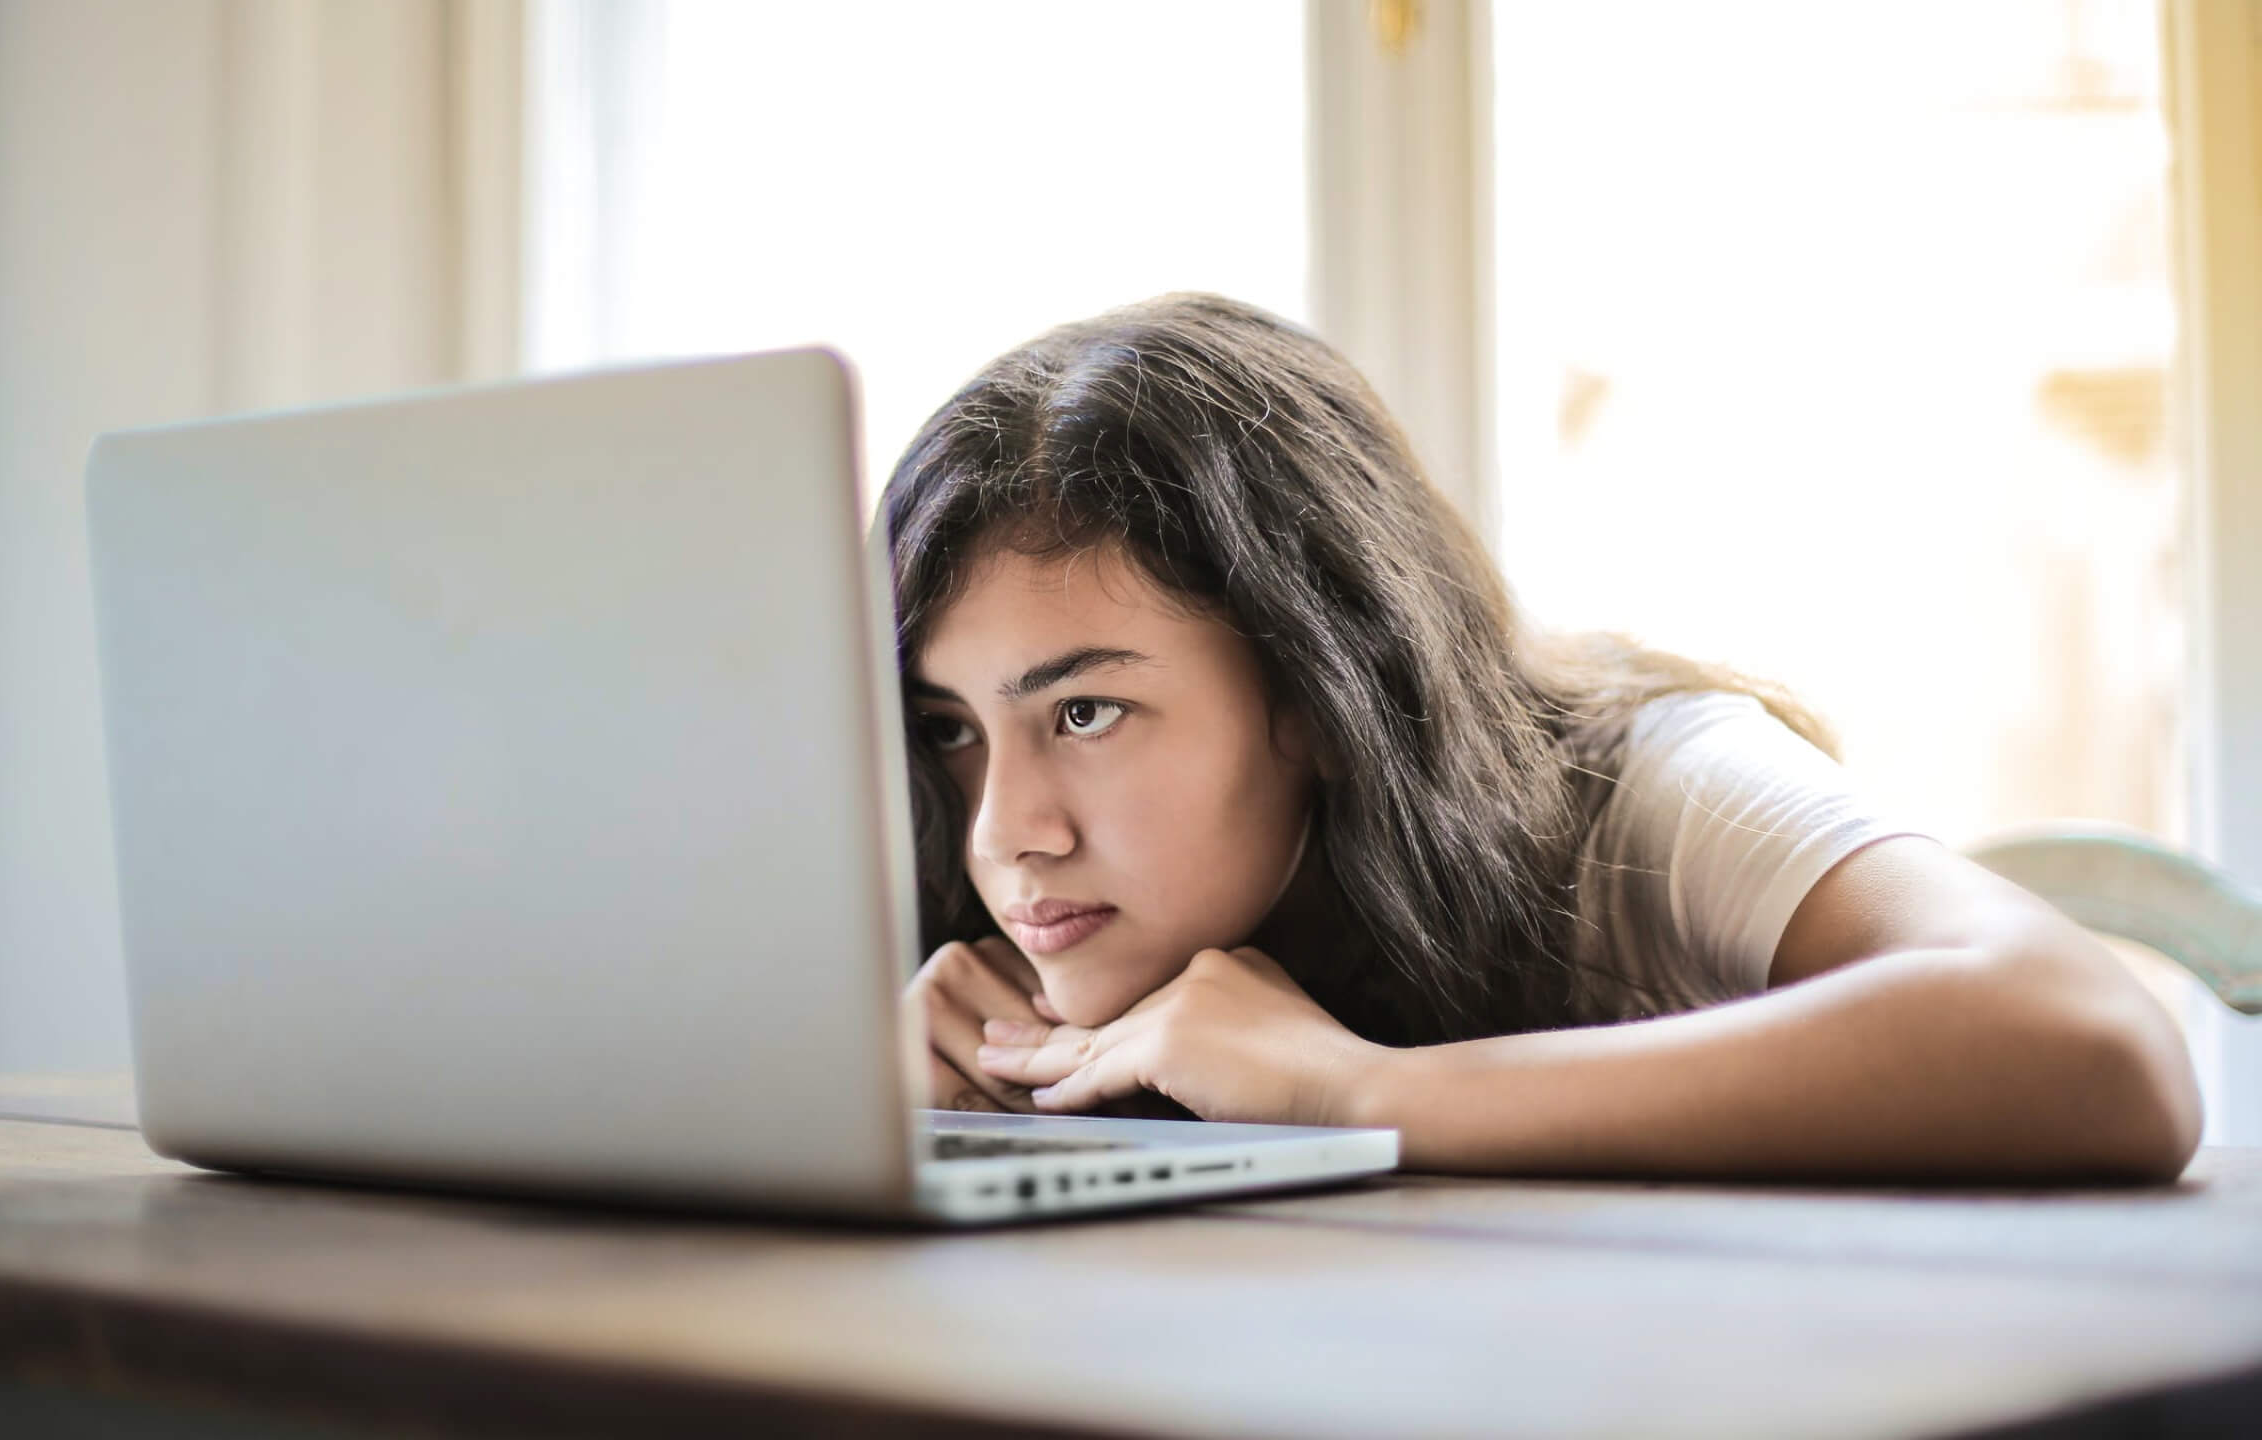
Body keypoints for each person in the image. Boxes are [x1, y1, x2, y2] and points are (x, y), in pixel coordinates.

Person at [878, 292, 2201, 1182]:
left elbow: (2095, 1045)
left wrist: (1353, 1094)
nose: (1007, 831)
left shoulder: (1643, 786)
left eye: (1087, 713)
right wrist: (862, 1102)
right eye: (950, 727)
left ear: (1324, 690)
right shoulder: (993, 927)